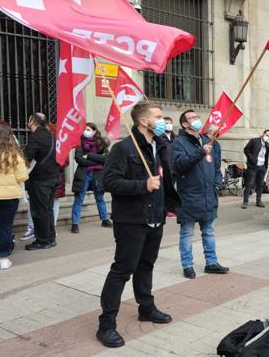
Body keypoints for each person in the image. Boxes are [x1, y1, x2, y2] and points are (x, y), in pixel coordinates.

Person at [97, 103, 181, 348]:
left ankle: (146, 307)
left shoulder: (161, 145)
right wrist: (142, 185)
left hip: (156, 217)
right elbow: (109, 182)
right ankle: (106, 323)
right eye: (157, 117)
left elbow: (169, 176)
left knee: (146, 265)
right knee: (122, 271)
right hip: (131, 221)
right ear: (143, 121)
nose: (164, 120)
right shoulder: (123, 148)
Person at [173, 114, 229, 279]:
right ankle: (187, 265)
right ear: (184, 124)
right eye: (192, 118)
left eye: (197, 116)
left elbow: (217, 165)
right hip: (189, 195)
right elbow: (179, 166)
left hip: (208, 194)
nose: (197, 119)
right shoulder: (178, 143)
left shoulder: (208, 140)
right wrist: (200, 152)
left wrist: (217, 184)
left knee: (209, 231)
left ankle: (211, 262)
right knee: (187, 233)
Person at [23, 113, 59, 250]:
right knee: (48, 210)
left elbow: (27, 157)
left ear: (32, 121)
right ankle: (50, 238)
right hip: (53, 177)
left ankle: (43, 240)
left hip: (41, 180)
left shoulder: (36, 136)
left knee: (39, 211)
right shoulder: (51, 135)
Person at [71, 123, 112, 233]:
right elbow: (79, 159)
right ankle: (74, 223)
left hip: (98, 174)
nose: (86, 131)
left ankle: (105, 220)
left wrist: (89, 155)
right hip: (84, 174)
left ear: (94, 131)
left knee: (100, 198)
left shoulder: (100, 143)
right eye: (85, 129)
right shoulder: (79, 143)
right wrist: (98, 159)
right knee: (79, 199)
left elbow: (107, 159)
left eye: (88, 129)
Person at [0, 123, 28, 269]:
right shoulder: (15, 155)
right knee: (5, 227)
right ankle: (3, 258)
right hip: (9, 197)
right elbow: (22, 176)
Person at [242, 130, 269, 209]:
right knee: (249, 183)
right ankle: (245, 201)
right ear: (263, 134)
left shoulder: (267, 145)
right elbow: (246, 149)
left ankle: (258, 201)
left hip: (262, 166)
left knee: (260, 184)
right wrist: (251, 157)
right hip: (253, 166)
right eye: (266, 135)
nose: (267, 137)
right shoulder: (254, 141)